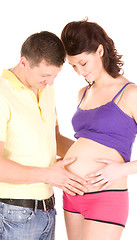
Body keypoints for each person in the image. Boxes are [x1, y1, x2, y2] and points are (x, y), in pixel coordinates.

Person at [60, 19, 137, 240]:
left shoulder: (131, 93)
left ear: (99, 51)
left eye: (83, 63)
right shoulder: (83, 94)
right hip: (71, 194)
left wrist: (121, 170)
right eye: (73, 66)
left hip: (105, 197)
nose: (79, 72)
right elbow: (86, 145)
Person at [0, 31, 87, 240]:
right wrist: (48, 174)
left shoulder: (47, 91)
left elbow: (53, 138)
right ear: (24, 62)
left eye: (55, 76)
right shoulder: (3, 93)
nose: (50, 82)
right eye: (45, 75)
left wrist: (92, 153)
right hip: (14, 213)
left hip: (48, 210)